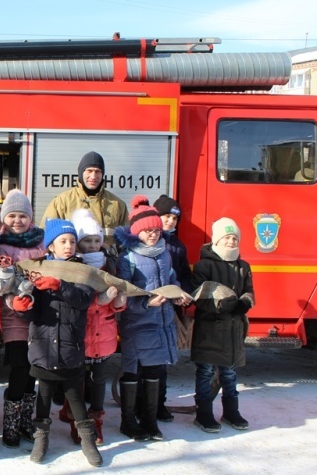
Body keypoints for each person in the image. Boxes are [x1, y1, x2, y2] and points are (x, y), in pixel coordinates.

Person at [12, 218, 102, 466]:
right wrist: (23, 308)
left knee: (75, 396)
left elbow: (84, 300)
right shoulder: (40, 269)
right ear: (50, 246)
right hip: (43, 347)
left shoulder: (81, 270)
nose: (68, 245)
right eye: (62, 241)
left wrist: (61, 285)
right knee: (44, 396)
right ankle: (41, 439)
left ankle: (87, 440)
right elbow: (35, 312)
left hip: (70, 347)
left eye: (72, 241)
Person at [114, 196, 188, 443]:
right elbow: (123, 294)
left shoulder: (165, 254)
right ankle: (128, 421)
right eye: (148, 231)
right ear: (137, 232)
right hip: (137, 324)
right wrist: (145, 303)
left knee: (154, 371)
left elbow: (172, 278)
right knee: (133, 372)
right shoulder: (127, 259)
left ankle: (149, 420)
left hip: (161, 322)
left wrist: (177, 294)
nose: (154, 235)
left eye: (157, 230)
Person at [60, 209, 124, 446]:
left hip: (104, 333)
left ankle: (96, 420)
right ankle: (75, 416)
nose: (93, 245)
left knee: (99, 380)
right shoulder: (72, 266)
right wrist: (101, 300)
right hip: (80, 332)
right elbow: (72, 301)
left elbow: (118, 295)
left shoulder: (110, 263)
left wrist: (118, 303)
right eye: (87, 241)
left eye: (97, 240)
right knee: (77, 380)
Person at [191, 218, 254, 433]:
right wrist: (221, 304)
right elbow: (198, 296)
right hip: (210, 328)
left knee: (230, 373)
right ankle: (204, 413)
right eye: (227, 237)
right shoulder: (203, 265)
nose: (231, 241)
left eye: (235, 238)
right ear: (217, 239)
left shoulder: (243, 266)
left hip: (234, 328)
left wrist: (245, 302)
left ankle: (231, 412)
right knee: (206, 371)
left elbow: (249, 290)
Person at [0, 190, 45, 448]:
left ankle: (26, 421)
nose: (17, 220)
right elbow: (0, 286)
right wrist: (12, 300)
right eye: (12, 215)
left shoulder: (41, 244)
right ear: (4, 218)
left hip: (38, 316)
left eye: (22, 216)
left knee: (33, 369)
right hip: (14, 316)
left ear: (30, 218)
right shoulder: (0, 247)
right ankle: (10, 425)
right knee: (19, 367)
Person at [149, 194, 194, 423]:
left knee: (164, 359)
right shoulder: (146, 241)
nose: (169, 222)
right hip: (148, 308)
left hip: (170, 311)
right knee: (145, 362)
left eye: (174, 219)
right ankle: (143, 403)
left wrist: (183, 294)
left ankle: (159, 404)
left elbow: (184, 275)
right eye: (165, 216)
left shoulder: (178, 246)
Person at [40, 151, 128, 248]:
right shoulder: (62, 202)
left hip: (107, 261)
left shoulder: (117, 205)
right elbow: (46, 237)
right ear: (81, 172)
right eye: (89, 171)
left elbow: (127, 241)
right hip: (72, 261)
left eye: (98, 171)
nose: (93, 176)